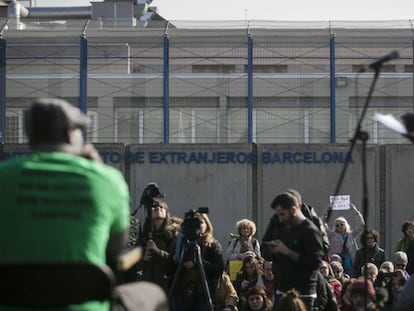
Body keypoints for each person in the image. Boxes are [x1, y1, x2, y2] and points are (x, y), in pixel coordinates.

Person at [0, 98, 167, 311]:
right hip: (84, 305)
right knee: (154, 295)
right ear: (70, 134)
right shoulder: (108, 179)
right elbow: (116, 246)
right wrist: (100, 171)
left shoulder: (4, 176)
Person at [264, 192, 324, 311]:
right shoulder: (285, 228)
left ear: (293, 209)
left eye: (282, 214)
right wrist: (275, 251)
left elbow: (315, 262)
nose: (280, 219)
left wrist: (287, 252)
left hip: (303, 294)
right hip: (283, 290)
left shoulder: (310, 231)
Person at [170, 211, 225, 311]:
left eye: (200, 222)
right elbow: (170, 266)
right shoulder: (179, 243)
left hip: (203, 294)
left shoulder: (213, 245)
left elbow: (219, 269)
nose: (197, 226)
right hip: (181, 293)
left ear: (207, 225)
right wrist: (182, 263)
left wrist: (200, 263)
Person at [135, 199, 178, 293]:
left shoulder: (172, 235)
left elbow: (174, 262)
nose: (158, 208)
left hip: (165, 285)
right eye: (155, 207)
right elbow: (134, 263)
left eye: (161, 207)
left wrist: (158, 251)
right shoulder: (144, 236)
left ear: (166, 213)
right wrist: (143, 259)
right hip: (146, 285)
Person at [323, 203, 365, 276]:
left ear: (346, 225)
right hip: (337, 264)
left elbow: (361, 226)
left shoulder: (351, 234)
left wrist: (355, 212)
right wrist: (326, 213)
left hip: (351, 263)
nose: (340, 226)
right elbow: (322, 226)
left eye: (342, 224)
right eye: (337, 225)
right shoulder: (332, 235)